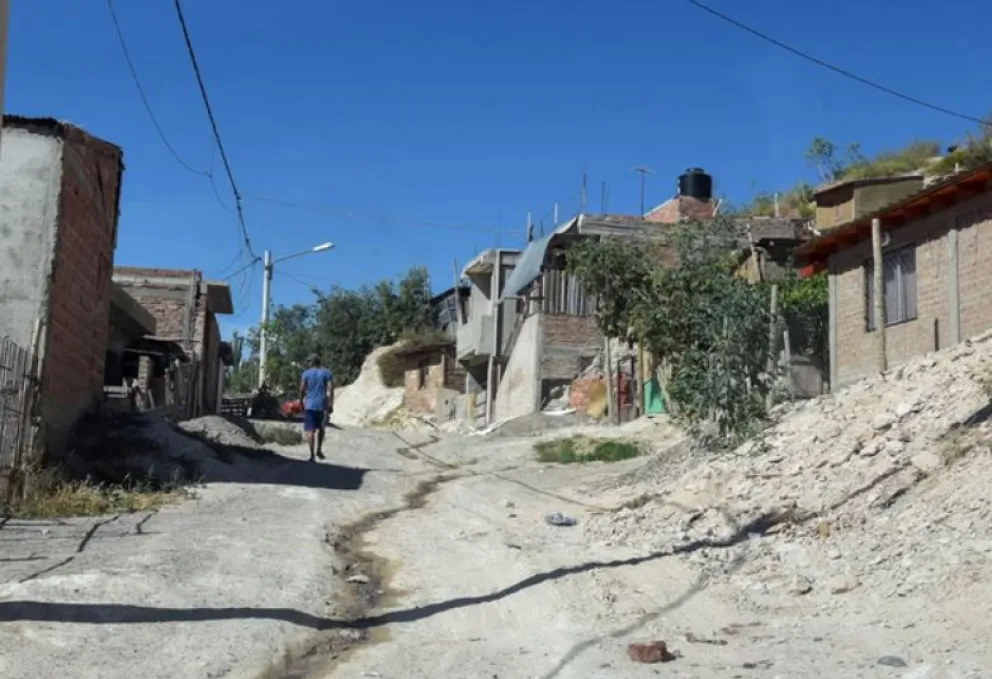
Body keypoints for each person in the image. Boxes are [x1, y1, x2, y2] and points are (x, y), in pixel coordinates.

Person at [299, 354, 334, 462]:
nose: (307, 363)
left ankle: (312, 455)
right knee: (322, 428)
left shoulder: (306, 373)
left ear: (313, 362)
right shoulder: (327, 373)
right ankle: (318, 449)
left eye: (309, 361)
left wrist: (300, 401)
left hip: (310, 405)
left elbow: (302, 389)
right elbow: (331, 389)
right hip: (323, 404)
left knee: (310, 430)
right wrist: (331, 404)